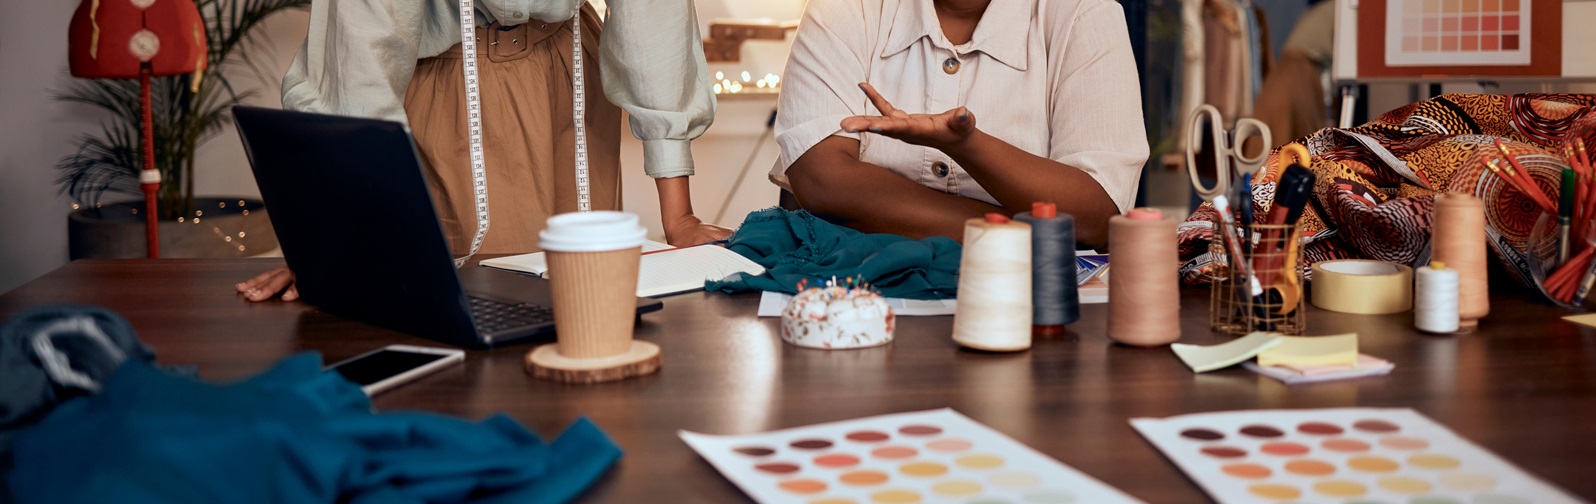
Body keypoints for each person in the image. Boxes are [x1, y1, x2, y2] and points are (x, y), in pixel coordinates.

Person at [238, 0, 728, 301]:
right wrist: (341, 246)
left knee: (585, 303)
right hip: (443, 74)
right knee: (452, 310)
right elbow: (362, 49)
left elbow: (655, 17)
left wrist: (679, 218)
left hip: (570, 72)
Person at [771, 0, 1149, 247]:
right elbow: (822, 179)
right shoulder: (846, 8)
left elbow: (1096, 214)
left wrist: (968, 146)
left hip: (1027, 309)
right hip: (850, 301)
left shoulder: (1084, 13)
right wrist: (1022, 236)